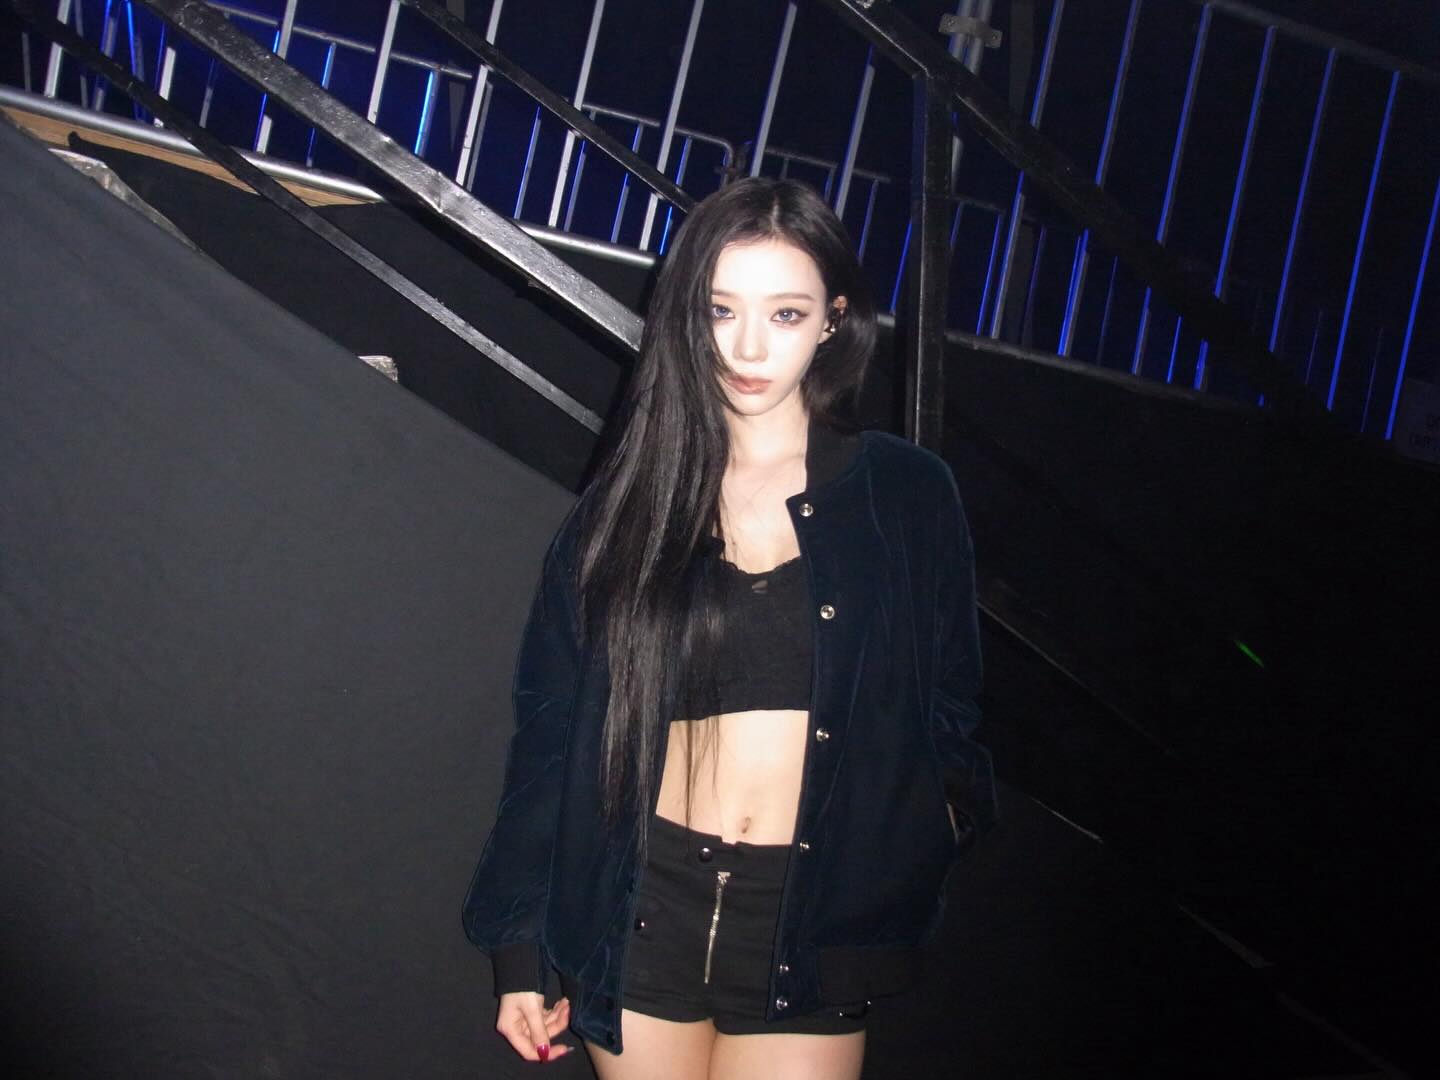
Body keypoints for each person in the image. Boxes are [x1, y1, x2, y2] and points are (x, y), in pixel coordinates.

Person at [462, 177, 996, 1078]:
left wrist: (931, 830)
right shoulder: (627, 508)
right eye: (721, 310)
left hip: (810, 922)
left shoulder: (906, 493)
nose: (748, 347)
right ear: (687, 317)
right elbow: (552, 734)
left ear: (832, 321)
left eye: (785, 314)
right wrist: (518, 949)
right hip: (642, 907)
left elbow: (950, 703)